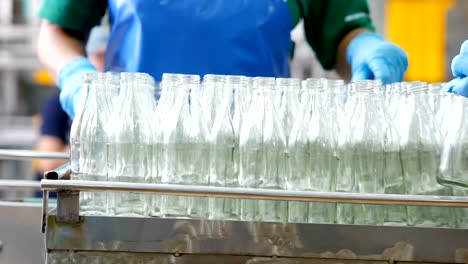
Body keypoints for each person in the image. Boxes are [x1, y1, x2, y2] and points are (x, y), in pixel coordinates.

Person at [37, 0, 408, 119]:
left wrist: (365, 49)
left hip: (257, 153)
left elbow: (343, 32)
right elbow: (56, 32)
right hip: (133, 143)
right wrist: (75, 76)